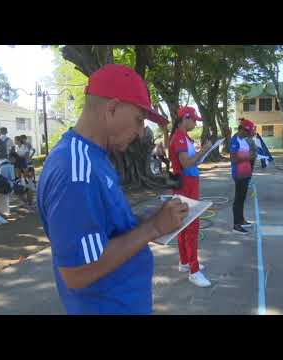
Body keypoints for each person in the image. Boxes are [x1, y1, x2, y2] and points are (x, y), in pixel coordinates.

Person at [37, 64, 189, 315]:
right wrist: (153, 228)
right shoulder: (75, 171)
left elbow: (103, 228)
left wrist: (146, 219)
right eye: (139, 120)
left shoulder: (95, 156)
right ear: (112, 108)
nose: (141, 133)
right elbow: (77, 272)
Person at [169, 106, 213, 288]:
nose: (195, 123)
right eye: (194, 120)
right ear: (185, 118)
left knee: (184, 226)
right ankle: (194, 271)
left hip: (190, 184)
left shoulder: (184, 137)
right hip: (185, 185)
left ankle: (185, 261)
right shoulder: (179, 137)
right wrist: (203, 151)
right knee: (191, 227)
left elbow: (191, 161)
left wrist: (202, 153)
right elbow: (186, 162)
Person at [230, 119, 255, 234]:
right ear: (241, 129)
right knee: (238, 199)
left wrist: (250, 157)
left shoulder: (244, 140)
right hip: (239, 174)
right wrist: (247, 157)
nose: (248, 134)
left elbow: (251, 155)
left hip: (246, 173)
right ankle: (236, 225)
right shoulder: (235, 140)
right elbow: (234, 158)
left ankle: (241, 220)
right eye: (246, 132)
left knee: (243, 198)